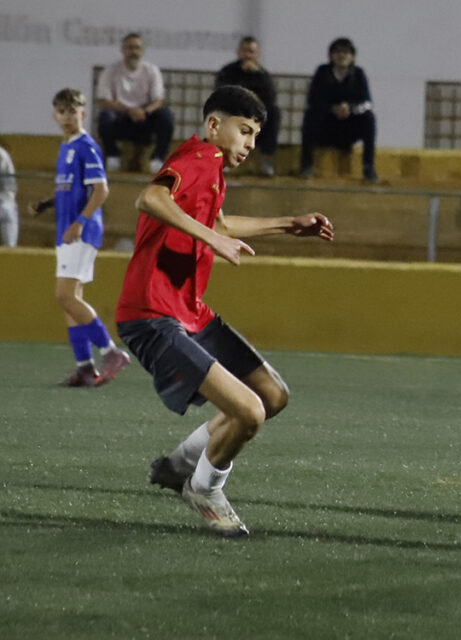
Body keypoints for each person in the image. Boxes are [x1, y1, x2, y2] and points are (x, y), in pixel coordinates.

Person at [116, 86, 334, 538]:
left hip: (187, 311)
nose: (251, 143)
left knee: (271, 395)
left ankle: (181, 464)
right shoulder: (200, 158)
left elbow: (218, 223)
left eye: (256, 135)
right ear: (215, 125)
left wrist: (288, 224)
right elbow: (150, 199)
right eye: (245, 130)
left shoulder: (210, 166)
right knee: (250, 413)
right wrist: (213, 240)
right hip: (151, 314)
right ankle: (204, 489)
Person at [28, 88, 131, 387]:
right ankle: (85, 367)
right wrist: (47, 205)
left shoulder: (86, 146)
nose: (67, 117)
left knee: (64, 296)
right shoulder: (66, 147)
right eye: (62, 111)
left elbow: (101, 190)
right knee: (71, 300)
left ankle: (111, 352)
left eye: (73, 111)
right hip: (68, 230)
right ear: (55, 115)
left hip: (80, 231)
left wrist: (80, 222)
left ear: (83, 113)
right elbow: (72, 190)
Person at [299, 37, 378, 182]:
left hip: (349, 127)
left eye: (346, 52)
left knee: (369, 118)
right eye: (338, 52)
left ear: (352, 56)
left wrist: (350, 108)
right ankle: (306, 165)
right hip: (326, 127)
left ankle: (368, 168)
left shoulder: (358, 74)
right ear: (331, 56)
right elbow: (313, 100)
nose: (342, 55)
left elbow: (367, 103)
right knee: (310, 115)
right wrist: (332, 109)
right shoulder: (322, 72)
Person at [96, 33, 174, 173]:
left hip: (145, 118)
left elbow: (158, 100)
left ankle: (158, 158)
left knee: (166, 116)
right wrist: (129, 111)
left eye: (137, 48)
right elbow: (104, 101)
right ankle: (112, 156)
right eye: (130, 48)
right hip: (122, 118)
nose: (134, 52)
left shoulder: (152, 70)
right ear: (123, 50)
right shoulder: (110, 70)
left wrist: (144, 111)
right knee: (105, 116)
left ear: (142, 51)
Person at [216, 36, 281, 177]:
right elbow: (222, 94)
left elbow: (270, 98)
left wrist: (257, 75)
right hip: (234, 113)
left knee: (274, 113)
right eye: (245, 51)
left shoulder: (263, 74)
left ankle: (266, 160)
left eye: (251, 52)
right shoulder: (228, 71)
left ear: (257, 55)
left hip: (256, 116)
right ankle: (224, 158)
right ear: (239, 52)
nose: (247, 55)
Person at [0, 143, 16, 247]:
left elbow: (8, 189)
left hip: (2, 201)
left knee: (7, 210)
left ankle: (10, 251)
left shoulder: (1, 155)